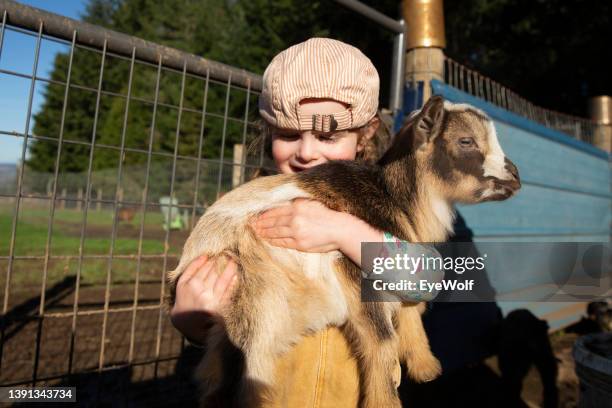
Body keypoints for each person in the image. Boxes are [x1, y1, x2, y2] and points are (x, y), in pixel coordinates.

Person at [171, 37, 420, 407]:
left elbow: (424, 278)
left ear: (364, 134)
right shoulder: (243, 209)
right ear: (269, 131)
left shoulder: (380, 207)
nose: (306, 152)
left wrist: (342, 230)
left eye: (327, 136)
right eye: (288, 135)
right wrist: (190, 320)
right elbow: (206, 296)